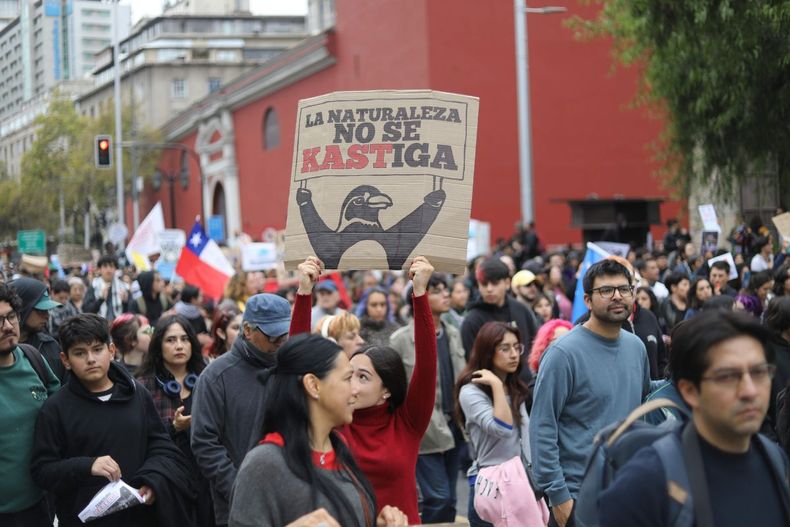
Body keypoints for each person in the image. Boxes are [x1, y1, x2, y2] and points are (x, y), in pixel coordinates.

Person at [599, 310, 790, 526]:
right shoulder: (647, 483)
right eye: (727, 376)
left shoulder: (773, 459)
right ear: (689, 391)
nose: (750, 391)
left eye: (758, 372)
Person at [290, 257, 437, 524]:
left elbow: (426, 364)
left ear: (386, 391)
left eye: (362, 377)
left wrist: (419, 293)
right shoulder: (334, 420)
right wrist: (303, 293)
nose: (351, 385)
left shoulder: (408, 423)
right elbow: (297, 365)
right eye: (348, 375)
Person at [30, 314, 196, 526]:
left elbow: (161, 446)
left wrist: (152, 482)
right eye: (80, 353)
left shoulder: (138, 395)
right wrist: (87, 466)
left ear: (111, 351)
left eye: (97, 349)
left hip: (140, 517)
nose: (90, 359)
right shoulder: (55, 409)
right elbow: (42, 471)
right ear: (66, 360)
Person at [228, 333, 408, 527]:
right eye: (347, 378)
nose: (353, 391)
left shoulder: (341, 452)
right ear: (313, 385)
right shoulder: (264, 464)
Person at [530, 259, 651, 527]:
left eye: (624, 288)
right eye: (606, 290)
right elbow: (542, 427)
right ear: (587, 299)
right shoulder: (563, 354)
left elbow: (640, 409)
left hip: (628, 492)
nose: (617, 296)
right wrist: (559, 498)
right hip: (578, 497)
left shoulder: (636, 347)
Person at [191, 281, 297, 526]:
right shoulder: (216, 377)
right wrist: (240, 488)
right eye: (273, 334)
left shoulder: (292, 369)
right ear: (247, 331)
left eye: (285, 332)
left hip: (292, 500)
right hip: (237, 507)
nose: (281, 340)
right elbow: (204, 443)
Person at [389, 273, 466, 524]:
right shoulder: (400, 339)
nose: (445, 294)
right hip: (424, 430)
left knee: (452, 500)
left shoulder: (453, 333)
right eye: (436, 290)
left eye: (446, 289)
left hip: (455, 426)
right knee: (438, 497)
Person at [137, 315, 213, 527]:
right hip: (170, 482)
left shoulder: (209, 377)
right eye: (170, 340)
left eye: (184, 339)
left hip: (207, 477)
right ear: (158, 345)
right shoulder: (144, 386)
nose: (179, 346)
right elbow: (140, 436)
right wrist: (174, 427)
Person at [456, 322, 534, 527]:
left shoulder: (516, 388)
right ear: (488, 352)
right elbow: (503, 428)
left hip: (519, 486)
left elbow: (526, 438)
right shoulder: (470, 392)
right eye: (505, 348)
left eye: (517, 347)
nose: (514, 354)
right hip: (490, 488)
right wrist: (497, 386)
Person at [0, 284, 60, 527]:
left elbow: (63, 414)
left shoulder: (33, 359)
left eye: (11, 316)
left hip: (40, 508)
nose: (7, 326)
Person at [461, 257, 538, 380]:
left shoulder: (521, 309)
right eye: (484, 284)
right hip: (490, 390)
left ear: (507, 283)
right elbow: (473, 364)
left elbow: (535, 347)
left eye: (495, 283)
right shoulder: (472, 320)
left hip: (525, 387)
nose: (489, 289)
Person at [9, 276, 65, 381]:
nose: (47, 316)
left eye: (48, 310)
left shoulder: (50, 346)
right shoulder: (5, 349)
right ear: (22, 309)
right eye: (40, 310)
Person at [83, 255, 129, 322]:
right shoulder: (94, 286)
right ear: (99, 269)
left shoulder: (123, 287)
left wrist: (125, 302)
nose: (108, 269)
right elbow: (87, 310)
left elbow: (129, 313)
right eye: (105, 266)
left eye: (111, 266)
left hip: (118, 326)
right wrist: (100, 299)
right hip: (98, 325)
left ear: (115, 269)